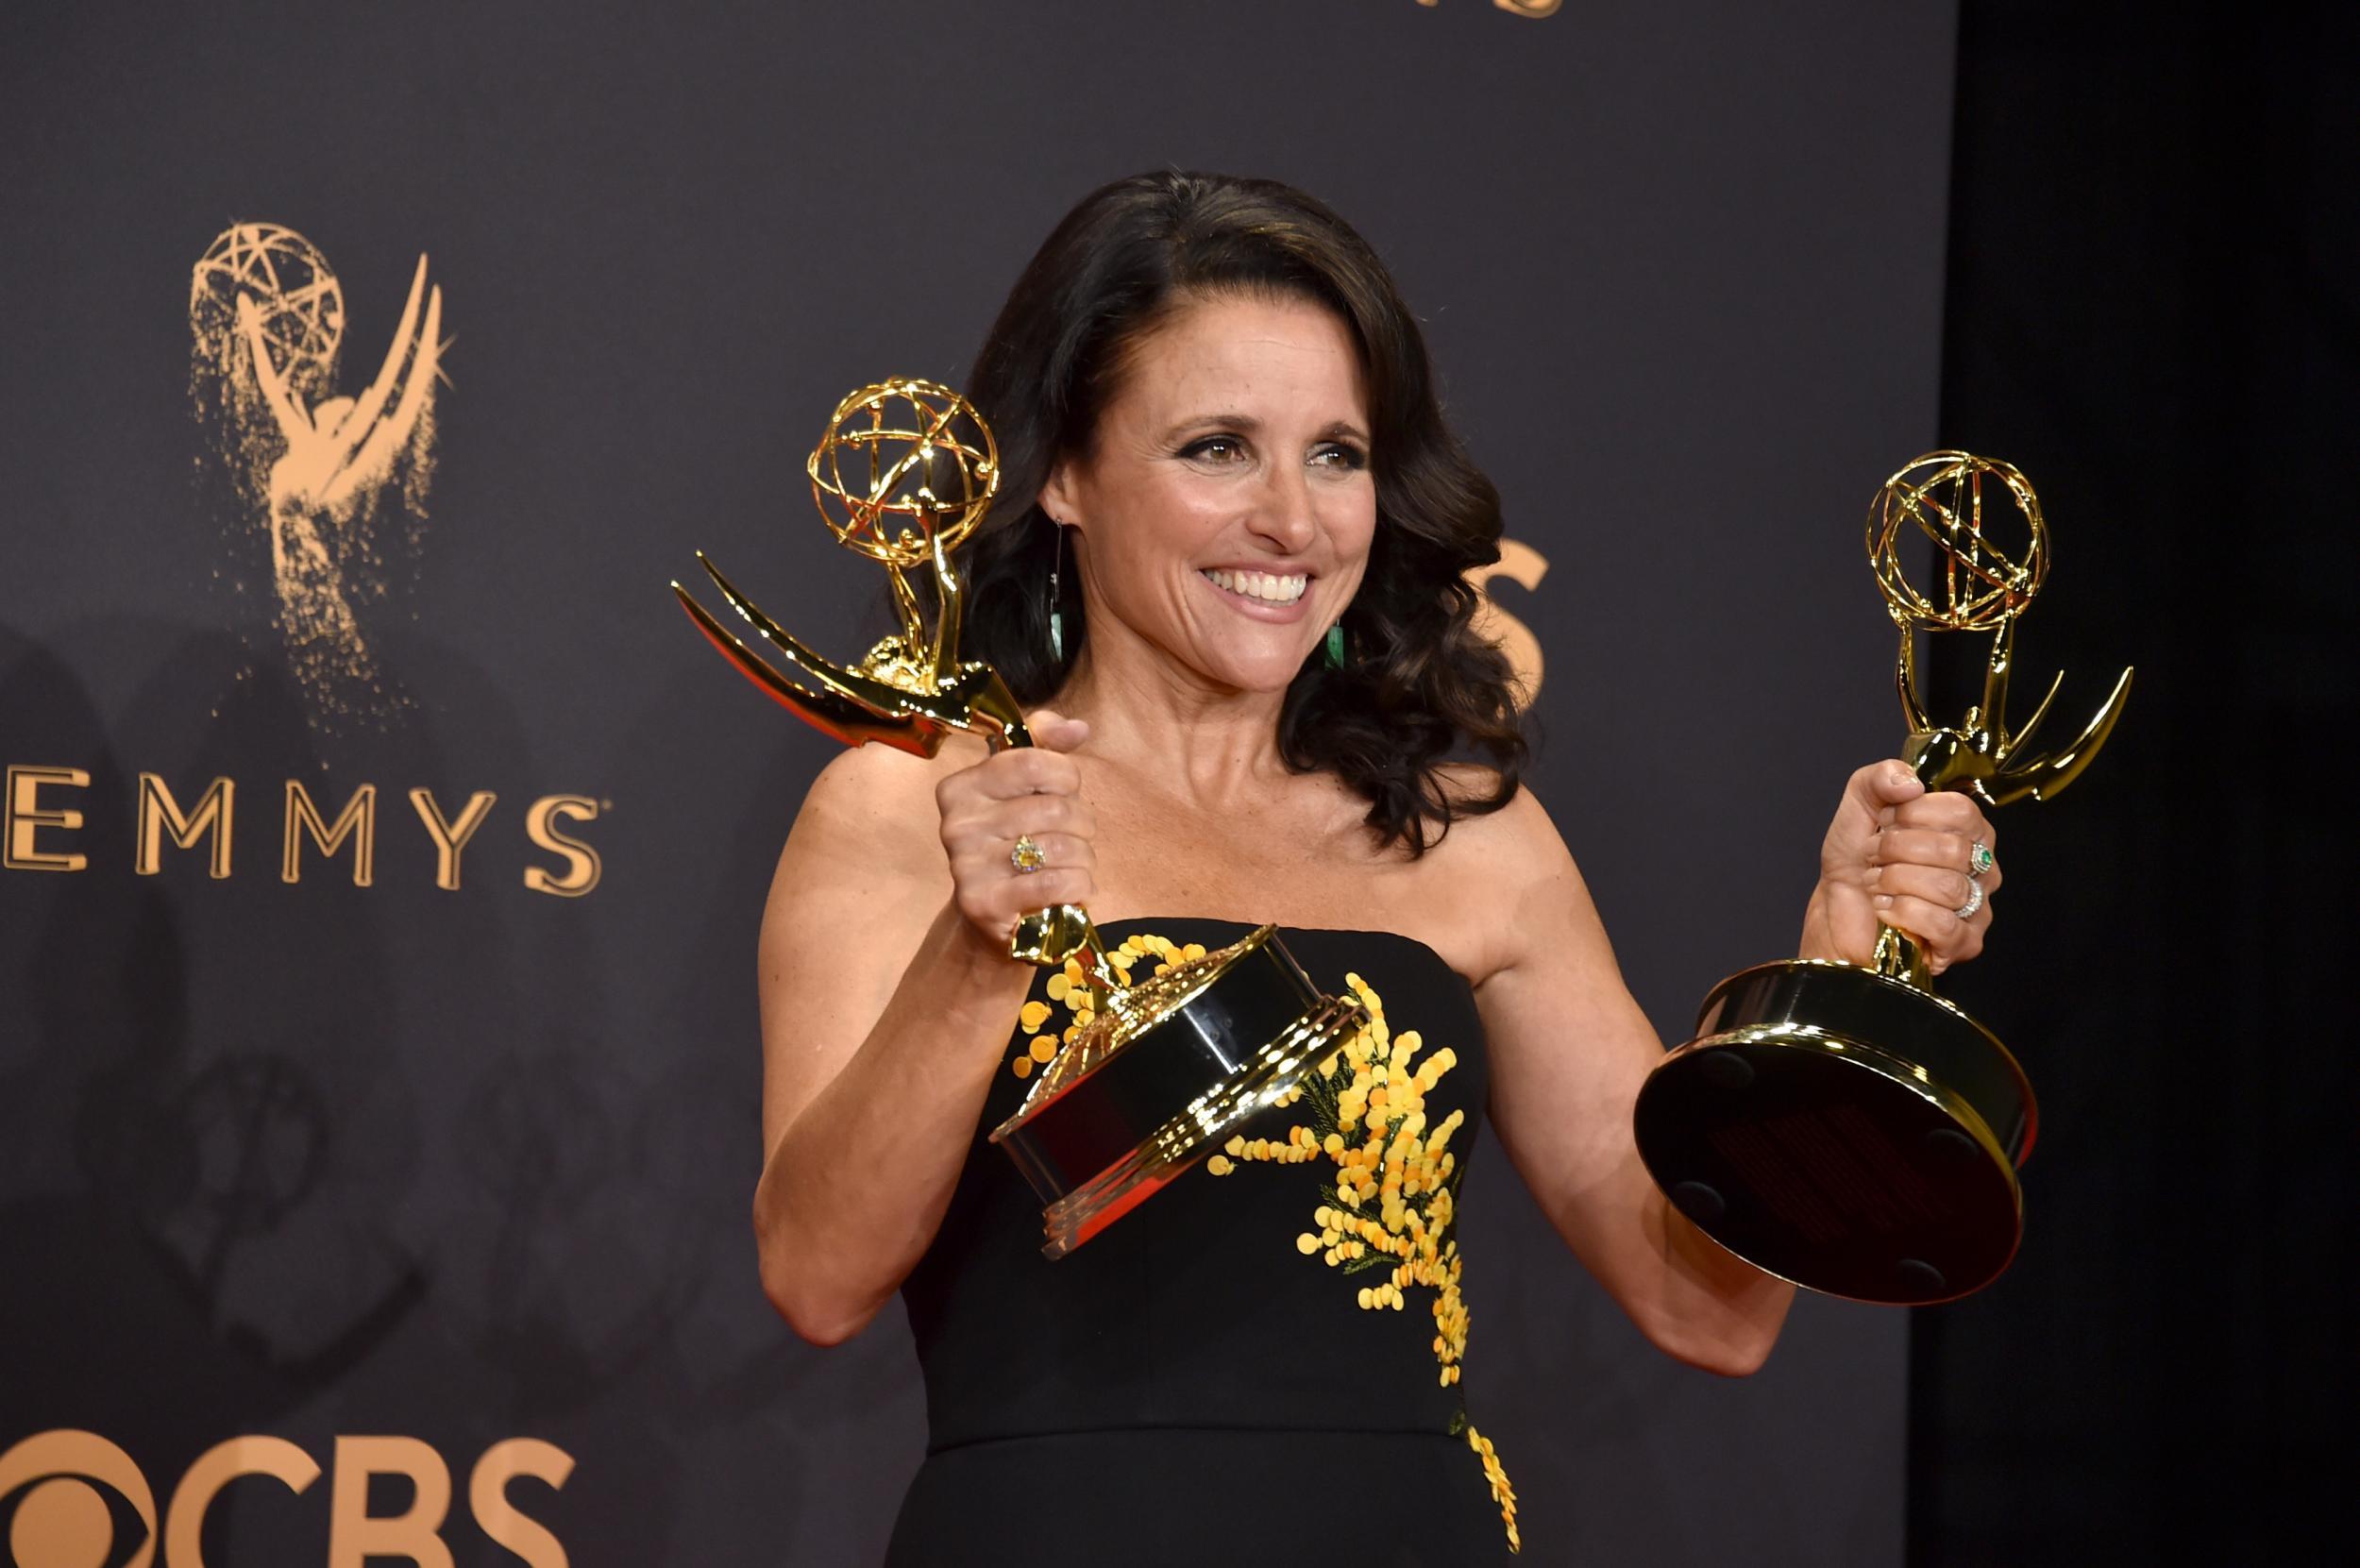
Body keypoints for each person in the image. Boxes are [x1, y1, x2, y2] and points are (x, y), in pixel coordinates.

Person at [750, 172, 2000, 1563]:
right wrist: (980, 948)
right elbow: (814, 1273)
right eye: (1218, 447)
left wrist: (1831, 974)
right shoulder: (908, 811)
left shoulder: (1468, 834)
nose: (1293, 519)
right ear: (1063, 471)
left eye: (1336, 453)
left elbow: (1707, 1306)